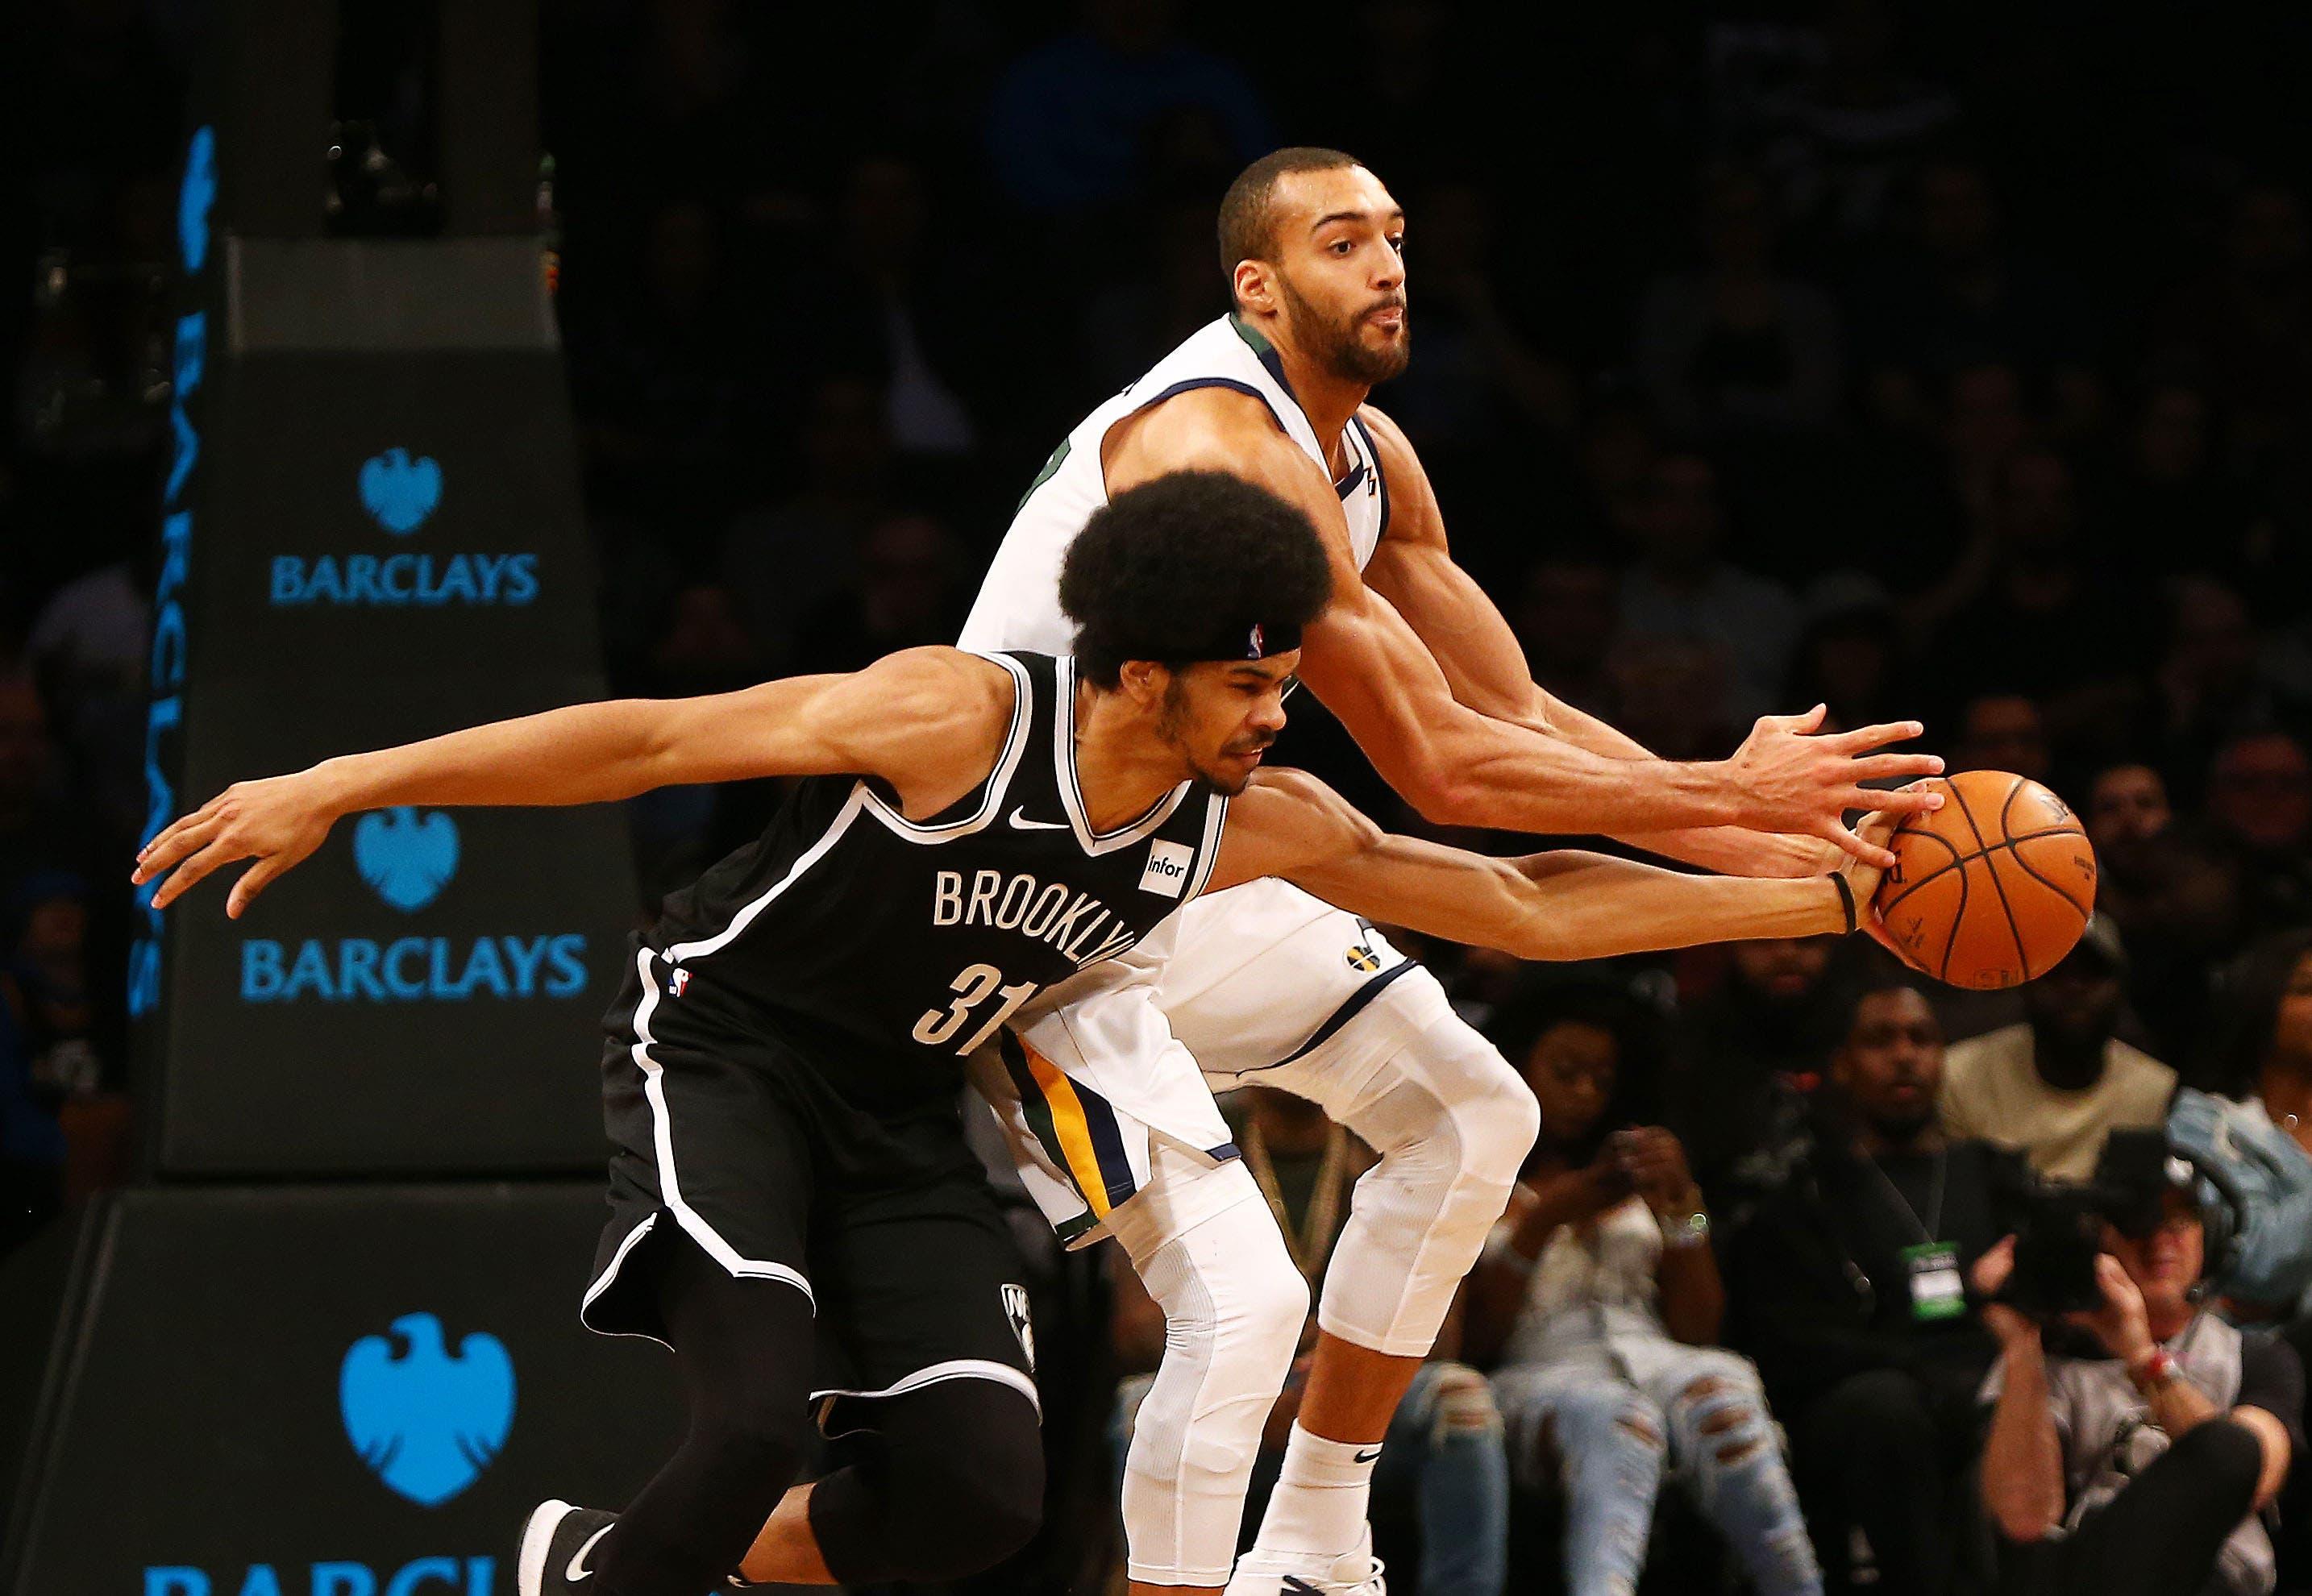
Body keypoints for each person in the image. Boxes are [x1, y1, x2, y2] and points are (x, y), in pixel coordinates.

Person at [133, 472, 1891, 1596]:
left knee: (976, 1495)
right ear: (1141, 673)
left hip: (897, 1106)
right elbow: (655, 741)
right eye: (1254, 685)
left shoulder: (1240, 816)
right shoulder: (956, 717)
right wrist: (343, 783)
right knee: (751, 1418)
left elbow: (1523, 903)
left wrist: (1819, 901)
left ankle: (599, 1564)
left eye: (1289, 684)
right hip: (729, 1045)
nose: (1284, 717)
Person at [959, 144, 1943, 1596]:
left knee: (1478, 1110)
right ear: (1257, 283)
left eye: (1396, 239)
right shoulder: (1221, 445)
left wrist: (1796, 835)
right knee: (1237, 1313)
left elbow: (1515, 715)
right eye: (1342, 241)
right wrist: (1730, 796)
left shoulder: (1367, 456)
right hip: (1022, 904)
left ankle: (1311, 1538)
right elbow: (1445, 772)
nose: (1386, 267)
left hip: (1177, 870)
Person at [1469, 992, 1823, 1596]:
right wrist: (1544, 1219)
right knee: (1614, 1418)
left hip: (1655, 1349)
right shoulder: (1472, 1177)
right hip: (1538, 1369)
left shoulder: (1634, 1179)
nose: (1585, 1093)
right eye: (1565, 1073)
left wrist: (1686, 1205)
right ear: (1515, 1066)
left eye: (1601, 1080)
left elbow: (1699, 1327)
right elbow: (1479, 1340)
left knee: (1722, 1396)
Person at [1110, 1086, 1512, 1596]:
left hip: (1355, 1384)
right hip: (1227, 1380)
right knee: (1137, 1407)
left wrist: (1336, 1367)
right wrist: (1254, 1364)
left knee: (1460, 1400)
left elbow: (1442, 1331)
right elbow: (1137, 1329)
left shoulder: (1393, 1145)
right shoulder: (1179, 1140)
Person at [1732, 976, 2023, 1596]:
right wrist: (1920, 1371)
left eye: (1922, 1038)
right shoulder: (1809, 1193)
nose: (1905, 1055)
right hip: (1875, 1400)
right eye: (1880, 1040)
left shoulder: (1992, 1173)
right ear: (1841, 1065)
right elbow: (1792, 1342)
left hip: (1994, 1378)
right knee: (1888, 1409)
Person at [1974, 1144, 2303, 1596]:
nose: (2159, 1238)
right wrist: (2021, 1345)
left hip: (2213, 1577)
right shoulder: (2046, 1360)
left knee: (2230, 1446)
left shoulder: (2255, 1356)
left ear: (2212, 1236)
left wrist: (2139, 1354)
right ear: (2103, 1239)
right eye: (2137, 1222)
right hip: (2089, 1573)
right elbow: (2022, 1520)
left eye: (2179, 1219)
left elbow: (2252, 1473)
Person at [1940, 916, 2177, 1180]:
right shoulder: (1961, 1075)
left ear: (2120, 987)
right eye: (2054, 971)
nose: (2073, 988)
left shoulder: (2154, 1089)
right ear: (2025, 984)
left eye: (2092, 973)